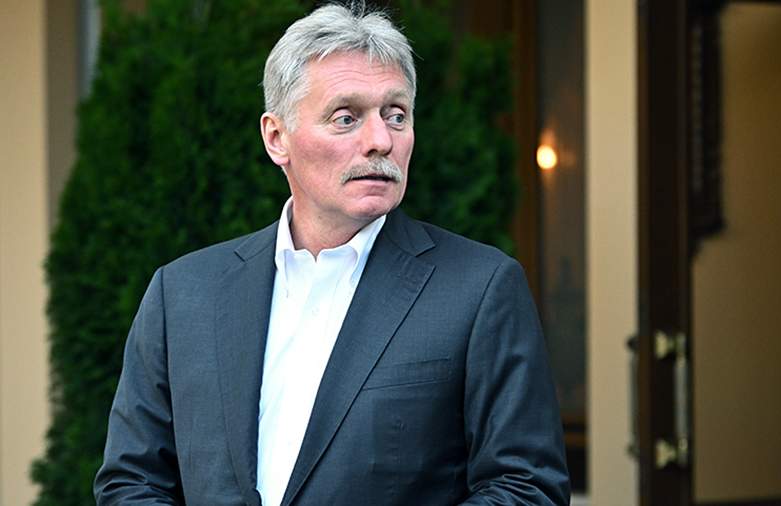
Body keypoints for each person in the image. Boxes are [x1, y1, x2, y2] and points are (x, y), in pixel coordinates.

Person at [94, 3, 569, 505]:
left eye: (396, 115)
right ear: (277, 138)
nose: (380, 140)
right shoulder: (183, 294)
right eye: (346, 118)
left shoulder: (479, 288)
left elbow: (526, 487)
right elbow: (133, 481)